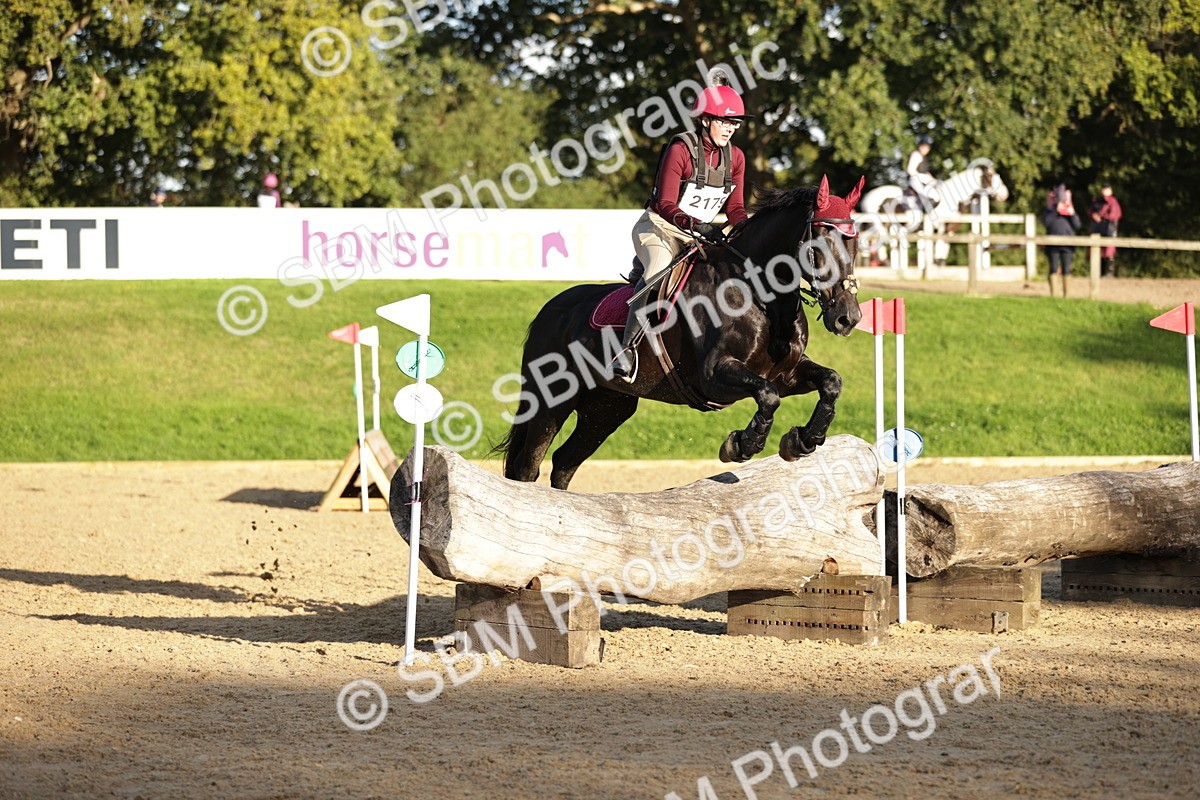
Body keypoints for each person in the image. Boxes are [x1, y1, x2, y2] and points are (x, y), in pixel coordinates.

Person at [612, 70, 751, 381]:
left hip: (698, 236)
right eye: (724, 121)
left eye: (734, 123)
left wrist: (749, 228)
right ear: (704, 120)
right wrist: (697, 225)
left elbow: (735, 208)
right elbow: (664, 204)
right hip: (660, 228)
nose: (730, 128)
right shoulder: (681, 149)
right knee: (656, 273)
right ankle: (627, 349)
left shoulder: (737, 158)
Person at [1041, 183, 1081, 297]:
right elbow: (1046, 222)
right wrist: (1055, 210)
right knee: (1053, 268)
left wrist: (1072, 213)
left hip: (1067, 244)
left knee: (1066, 269)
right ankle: (1054, 294)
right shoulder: (1049, 211)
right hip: (1052, 244)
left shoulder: (1069, 210)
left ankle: (1066, 295)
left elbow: (1077, 225)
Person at [1089, 181, 1122, 277]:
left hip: (1109, 228)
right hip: (1098, 228)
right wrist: (1094, 215)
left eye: (1106, 189)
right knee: (1098, 251)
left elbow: (1115, 215)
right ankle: (1100, 272)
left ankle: (1109, 273)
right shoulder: (1096, 200)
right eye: (1103, 188)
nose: (1105, 191)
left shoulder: (1113, 201)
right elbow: (1091, 211)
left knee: (1109, 251)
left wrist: (1103, 216)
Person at [905, 134, 938, 208]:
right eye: (925, 147)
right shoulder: (916, 155)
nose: (926, 150)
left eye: (928, 148)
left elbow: (925, 172)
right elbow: (910, 170)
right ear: (920, 146)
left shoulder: (924, 158)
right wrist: (923, 177)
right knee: (924, 191)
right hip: (915, 179)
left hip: (921, 179)